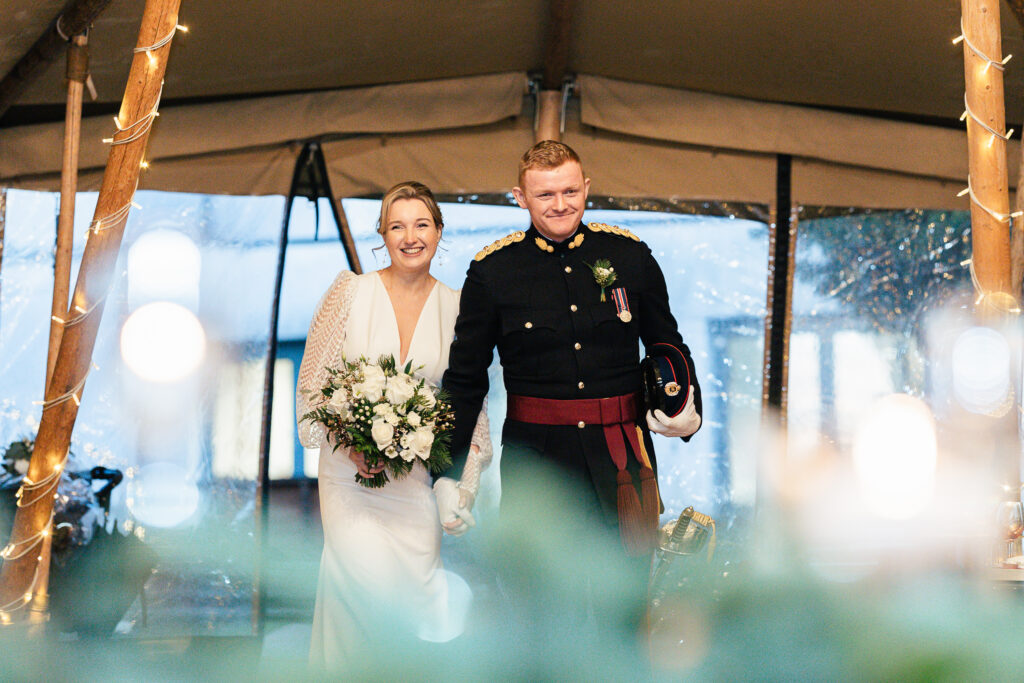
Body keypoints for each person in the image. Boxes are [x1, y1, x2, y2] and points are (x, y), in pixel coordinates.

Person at [440, 141, 702, 664]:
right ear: (520, 197)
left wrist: (687, 411)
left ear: (586, 188)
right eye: (544, 194)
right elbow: (465, 381)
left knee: (627, 607)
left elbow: (667, 342)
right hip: (538, 465)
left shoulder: (630, 256)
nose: (559, 204)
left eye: (568, 191)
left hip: (621, 458)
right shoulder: (493, 272)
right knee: (541, 611)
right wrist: (445, 474)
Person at [296, 181, 492, 669]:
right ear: (381, 234)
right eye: (397, 225)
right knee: (367, 586)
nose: (410, 236)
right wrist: (351, 438)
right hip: (350, 479)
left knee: (421, 592)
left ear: (439, 232)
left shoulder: (459, 307)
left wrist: (461, 489)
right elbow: (312, 382)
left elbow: (470, 405)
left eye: (421, 224)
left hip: (415, 484)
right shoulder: (349, 292)